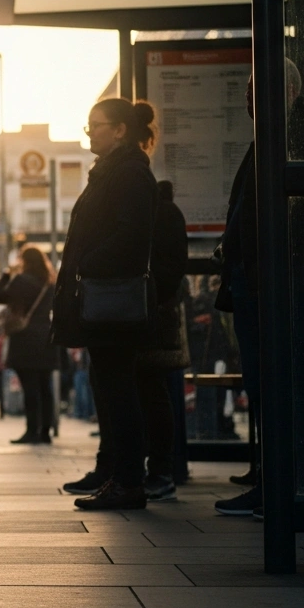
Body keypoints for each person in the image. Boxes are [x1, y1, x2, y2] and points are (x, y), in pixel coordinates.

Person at [214, 62, 304, 516]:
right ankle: (275, 477)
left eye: (257, 89)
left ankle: (300, 483)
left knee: (294, 380)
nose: (249, 99)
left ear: (287, 90)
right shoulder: (267, 141)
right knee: (265, 383)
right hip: (259, 283)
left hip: (290, 281)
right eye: (248, 91)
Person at [52, 97, 158, 511]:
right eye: (88, 126)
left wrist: (88, 263)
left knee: (119, 390)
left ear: (119, 130)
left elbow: (131, 239)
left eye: (97, 125)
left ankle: (129, 480)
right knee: (110, 387)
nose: (90, 132)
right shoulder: (111, 173)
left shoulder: (129, 174)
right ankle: (117, 474)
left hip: (113, 301)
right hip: (105, 299)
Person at [135, 179, 189, 502]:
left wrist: (152, 295)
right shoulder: (158, 211)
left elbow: (171, 268)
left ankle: (161, 470)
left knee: (152, 391)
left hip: (151, 312)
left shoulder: (163, 213)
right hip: (141, 307)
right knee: (146, 392)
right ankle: (152, 469)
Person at [0, 245, 57, 444]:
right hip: (47, 338)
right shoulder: (50, 283)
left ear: (24, 261)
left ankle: (31, 431)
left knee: (30, 388)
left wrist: (5, 275)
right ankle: (45, 432)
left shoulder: (21, 281)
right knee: (46, 388)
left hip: (25, 338)